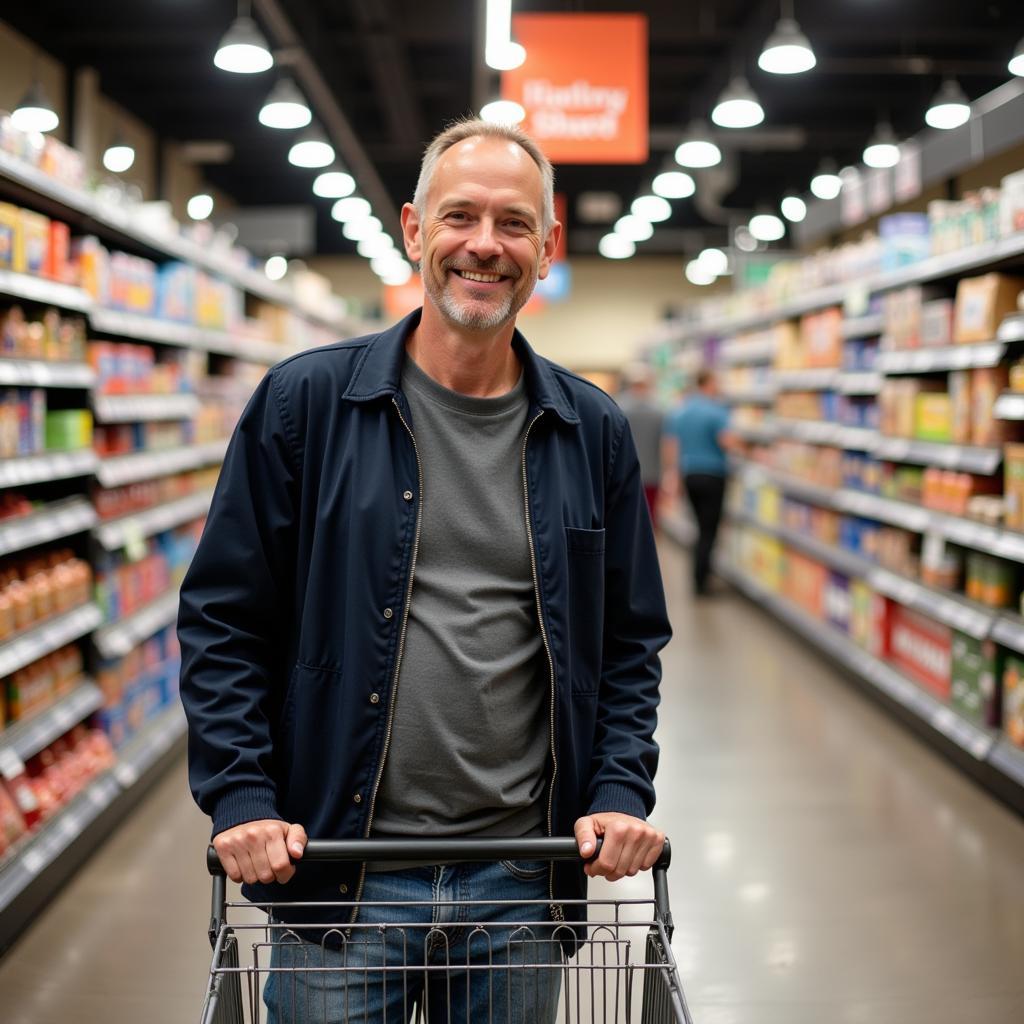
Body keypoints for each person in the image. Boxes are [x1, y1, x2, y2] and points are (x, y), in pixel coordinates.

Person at [178, 118, 671, 1023]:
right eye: (460, 217)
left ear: (548, 247)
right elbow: (224, 618)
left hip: (523, 881)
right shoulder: (307, 404)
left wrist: (616, 788)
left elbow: (630, 642)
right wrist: (241, 792)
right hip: (339, 877)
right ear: (413, 229)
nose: (485, 246)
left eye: (515, 224)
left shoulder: (590, 429)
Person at [664, 368, 737, 596]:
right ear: (708, 383)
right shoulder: (717, 411)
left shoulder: (681, 410)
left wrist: (672, 474)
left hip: (689, 474)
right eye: (717, 381)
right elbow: (726, 441)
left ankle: (699, 577)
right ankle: (701, 582)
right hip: (712, 474)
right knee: (709, 530)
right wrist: (750, 450)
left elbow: (670, 445)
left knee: (699, 527)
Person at [616, 364, 665, 528]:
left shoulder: (617, 407)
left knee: (624, 518)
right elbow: (665, 444)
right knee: (649, 518)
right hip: (652, 474)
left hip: (623, 473)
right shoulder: (659, 410)